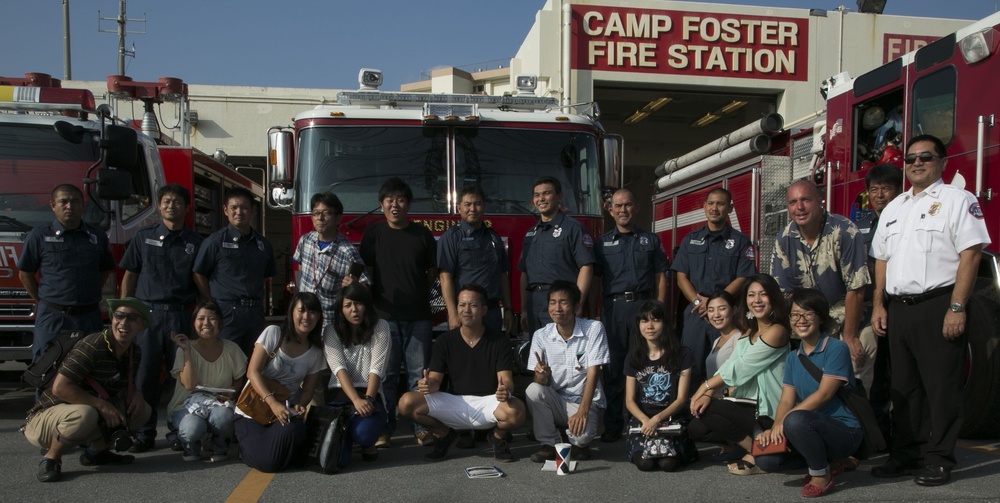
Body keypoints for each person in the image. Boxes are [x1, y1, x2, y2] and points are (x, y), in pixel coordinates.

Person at [870, 134, 991, 486]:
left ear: (942, 162)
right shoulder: (894, 207)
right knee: (903, 388)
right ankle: (906, 453)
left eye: (926, 157)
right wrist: (879, 304)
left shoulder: (957, 200)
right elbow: (882, 259)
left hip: (939, 304)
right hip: (899, 309)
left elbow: (971, 253)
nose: (917, 163)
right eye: (910, 159)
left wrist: (957, 306)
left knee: (941, 388)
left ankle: (938, 459)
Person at [24, 298, 152, 483]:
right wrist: (101, 405)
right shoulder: (93, 345)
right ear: (112, 318)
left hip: (80, 411)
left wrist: (137, 395)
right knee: (86, 413)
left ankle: (96, 453)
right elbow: (60, 387)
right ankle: (50, 459)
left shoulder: (134, 352)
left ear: (142, 325)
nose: (124, 322)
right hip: (45, 418)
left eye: (132, 318)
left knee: (142, 410)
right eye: (119, 315)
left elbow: (122, 388)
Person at [119, 183, 205, 452]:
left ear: (186, 207)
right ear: (159, 205)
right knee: (145, 377)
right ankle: (143, 432)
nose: (171, 206)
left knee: (180, 378)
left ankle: (179, 431)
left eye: (177, 202)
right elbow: (130, 275)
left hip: (180, 316)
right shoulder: (143, 237)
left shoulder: (196, 243)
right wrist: (124, 309)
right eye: (166, 201)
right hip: (148, 317)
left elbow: (200, 280)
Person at [398, 284, 526, 463]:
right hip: (455, 402)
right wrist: (428, 385)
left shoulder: (499, 340)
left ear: (483, 310)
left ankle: (497, 437)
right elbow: (435, 379)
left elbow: (506, 380)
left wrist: (506, 391)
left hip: (489, 403)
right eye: (462, 305)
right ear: (456, 308)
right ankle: (444, 435)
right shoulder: (445, 341)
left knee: (518, 410)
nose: (466, 310)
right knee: (406, 403)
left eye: (473, 305)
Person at [757, 288, 862, 498]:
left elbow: (824, 394)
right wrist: (776, 426)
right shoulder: (793, 357)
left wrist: (786, 420)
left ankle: (821, 474)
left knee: (795, 419)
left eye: (808, 314)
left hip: (844, 431)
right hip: (806, 426)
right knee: (766, 459)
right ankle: (830, 462)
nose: (800, 320)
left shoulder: (836, 348)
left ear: (820, 317)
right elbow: (786, 400)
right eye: (795, 314)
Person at [359, 177, 437, 447]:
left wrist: (416, 292)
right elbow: (367, 272)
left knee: (420, 375)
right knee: (386, 375)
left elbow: (432, 273)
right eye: (389, 200)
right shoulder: (374, 233)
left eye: (400, 200)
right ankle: (385, 429)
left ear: (409, 204)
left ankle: (421, 427)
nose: (395, 205)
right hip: (384, 318)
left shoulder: (422, 234)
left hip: (419, 316)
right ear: (381, 205)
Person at [687, 274, 789, 476]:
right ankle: (756, 448)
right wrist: (707, 393)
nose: (757, 300)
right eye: (751, 295)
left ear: (774, 298)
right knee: (701, 413)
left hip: (768, 408)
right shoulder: (746, 334)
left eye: (763, 294)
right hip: (746, 403)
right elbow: (730, 366)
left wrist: (705, 387)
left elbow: (742, 367)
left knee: (708, 405)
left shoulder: (777, 330)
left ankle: (758, 452)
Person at [770, 180, 870, 379]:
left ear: (820, 201)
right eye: (793, 202)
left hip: (849, 319)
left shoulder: (845, 231)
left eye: (806, 200)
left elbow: (856, 288)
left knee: (852, 368)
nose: (799, 207)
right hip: (809, 321)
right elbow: (784, 292)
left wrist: (849, 337)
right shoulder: (784, 238)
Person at [592, 188, 670, 442]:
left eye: (628, 205)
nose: (623, 210)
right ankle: (614, 424)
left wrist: (658, 311)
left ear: (636, 207)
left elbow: (660, 277)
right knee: (614, 368)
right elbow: (595, 282)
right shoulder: (601, 243)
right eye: (618, 206)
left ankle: (642, 421)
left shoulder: (651, 241)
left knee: (646, 365)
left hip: (643, 309)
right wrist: (593, 314)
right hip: (614, 309)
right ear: (610, 210)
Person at [18, 184, 115, 363]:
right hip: (53, 318)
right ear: (53, 206)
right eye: (63, 201)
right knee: (46, 370)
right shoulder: (39, 235)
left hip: (89, 316)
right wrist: (44, 301)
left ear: (82, 205)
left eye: (75, 201)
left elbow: (104, 271)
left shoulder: (97, 237)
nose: (69, 206)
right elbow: (25, 274)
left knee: (90, 367)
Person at [671, 188, 755, 392]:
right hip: (696, 314)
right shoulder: (691, 240)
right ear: (704, 207)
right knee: (690, 367)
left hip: (727, 315)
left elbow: (743, 277)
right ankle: (689, 415)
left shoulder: (741, 241)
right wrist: (700, 303)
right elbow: (681, 277)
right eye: (710, 203)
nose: (714, 208)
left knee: (728, 365)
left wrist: (714, 304)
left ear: (730, 208)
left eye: (720, 204)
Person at [234, 292, 327, 473]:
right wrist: (273, 403)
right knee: (268, 463)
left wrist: (300, 405)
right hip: (252, 410)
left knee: (295, 431)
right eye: (302, 310)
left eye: (313, 312)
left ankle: (267, 452)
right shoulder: (274, 333)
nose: (307, 317)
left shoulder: (316, 352)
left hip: (282, 413)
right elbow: (252, 372)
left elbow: (308, 389)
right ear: (292, 311)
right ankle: (247, 451)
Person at [525, 281, 609, 463]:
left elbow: (594, 373)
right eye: (553, 302)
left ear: (576, 306)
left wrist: (583, 412)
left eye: (563, 302)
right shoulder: (541, 335)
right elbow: (538, 383)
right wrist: (541, 375)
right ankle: (549, 443)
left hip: (585, 401)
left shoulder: (594, 328)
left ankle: (579, 444)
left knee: (582, 437)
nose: (557, 308)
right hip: (557, 400)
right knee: (532, 389)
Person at [193, 186, 275, 356]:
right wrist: (210, 302)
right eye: (234, 208)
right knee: (225, 361)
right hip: (227, 313)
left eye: (244, 207)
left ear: (252, 210)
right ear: (225, 210)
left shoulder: (263, 245)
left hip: (254, 314)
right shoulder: (215, 242)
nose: (239, 212)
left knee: (253, 364)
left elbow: (265, 277)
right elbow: (198, 273)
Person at [855, 164, 903, 444]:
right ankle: (877, 432)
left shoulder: (907, 221)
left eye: (886, 189)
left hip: (899, 305)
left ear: (899, 191)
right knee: (874, 373)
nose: (880, 195)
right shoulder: (858, 225)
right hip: (868, 311)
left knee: (900, 372)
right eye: (874, 189)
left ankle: (901, 431)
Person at [165, 301, 247, 463]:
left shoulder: (232, 348)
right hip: (185, 407)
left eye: (212, 319)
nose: (206, 323)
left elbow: (239, 379)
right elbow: (189, 384)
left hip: (217, 405)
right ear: (194, 323)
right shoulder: (184, 349)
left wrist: (231, 391)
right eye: (201, 318)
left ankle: (219, 444)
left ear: (220, 323)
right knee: (192, 426)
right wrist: (187, 351)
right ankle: (190, 445)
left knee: (223, 416)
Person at [322, 283, 390, 468]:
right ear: (340, 309)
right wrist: (355, 400)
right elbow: (338, 369)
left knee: (364, 434)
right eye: (348, 305)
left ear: (366, 305)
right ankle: (346, 439)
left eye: (358, 303)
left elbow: (377, 368)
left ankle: (366, 442)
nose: (354, 310)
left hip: (369, 392)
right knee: (338, 461)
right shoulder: (331, 330)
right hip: (340, 395)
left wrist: (368, 399)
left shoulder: (381, 327)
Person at [518, 176, 595, 336]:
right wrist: (524, 309)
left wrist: (577, 303)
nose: (541, 199)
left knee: (561, 352)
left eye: (546, 193)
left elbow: (586, 266)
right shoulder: (531, 234)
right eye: (537, 195)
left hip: (560, 303)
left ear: (559, 197)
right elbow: (525, 273)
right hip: (535, 304)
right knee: (538, 354)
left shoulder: (573, 229)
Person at [624, 300, 694, 472]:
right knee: (645, 464)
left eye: (655, 320)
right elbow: (630, 400)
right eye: (644, 321)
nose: (650, 326)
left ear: (665, 323)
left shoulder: (682, 354)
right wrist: (646, 421)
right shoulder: (633, 357)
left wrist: (657, 420)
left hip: (671, 419)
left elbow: (681, 399)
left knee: (668, 464)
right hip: (643, 420)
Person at [437, 183, 513, 335]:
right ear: (459, 208)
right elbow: (445, 278)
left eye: (477, 204)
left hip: (492, 312)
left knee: (492, 356)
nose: (473, 209)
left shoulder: (494, 237)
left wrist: (508, 309)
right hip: (466, 312)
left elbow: (503, 275)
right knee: (464, 357)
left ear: (484, 207)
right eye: (468, 204)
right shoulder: (451, 238)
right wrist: (452, 313)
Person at [292, 192, 370, 332]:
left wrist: (355, 286)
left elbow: (366, 287)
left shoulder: (348, 252)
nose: (320, 218)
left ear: (338, 218)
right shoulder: (305, 240)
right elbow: (299, 270)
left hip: (329, 324)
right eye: (316, 213)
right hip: (303, 319)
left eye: (326, 213)